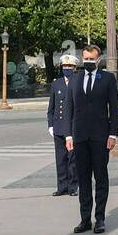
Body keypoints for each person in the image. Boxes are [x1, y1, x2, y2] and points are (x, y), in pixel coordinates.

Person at [66, 44, 118, 235]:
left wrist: (113, 134)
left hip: (100, 136)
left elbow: (114, 108)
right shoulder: (75, 78)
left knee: (101, 177)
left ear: (98, 60)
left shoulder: (107, 79)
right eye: (85, 58)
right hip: (79, 136)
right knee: (83, 178)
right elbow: (69, 109)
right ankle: (85, 219)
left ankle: (100, 218)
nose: (88, 62)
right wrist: (69, 135)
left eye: (91, 59)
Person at [48, 52, 79, 197]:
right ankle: (62, 186)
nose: (67, 68)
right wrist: (50, 125)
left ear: (75, 67)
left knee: (72, 159)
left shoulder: (78, 82)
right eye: (65, 66)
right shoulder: (56, 83)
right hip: (59, 126)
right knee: (60, 159)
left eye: (70, 66)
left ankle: (73, 187)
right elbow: (51, 107)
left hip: (73, 127)